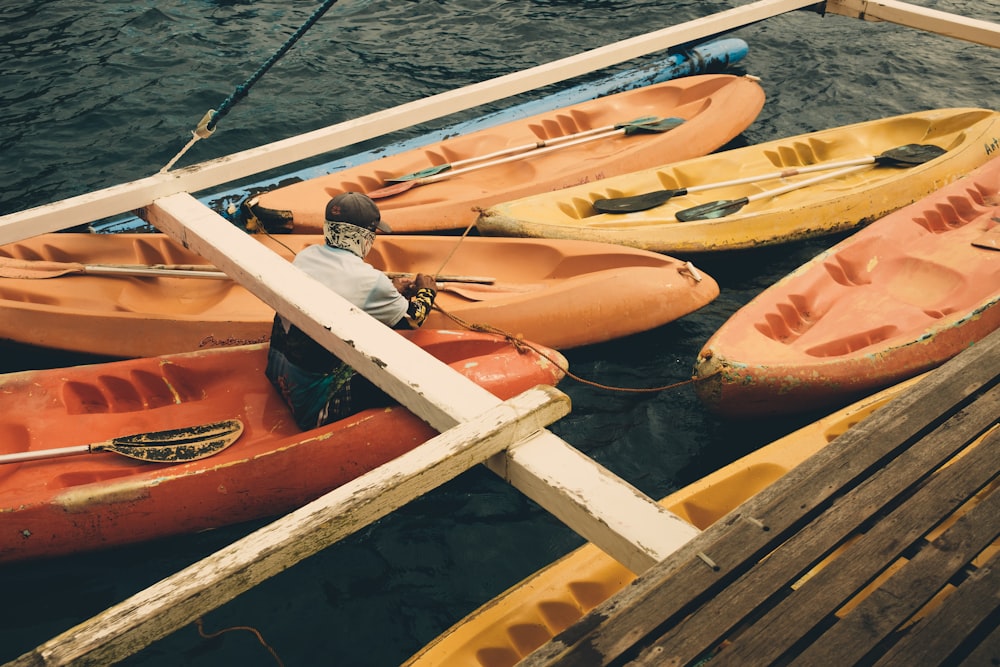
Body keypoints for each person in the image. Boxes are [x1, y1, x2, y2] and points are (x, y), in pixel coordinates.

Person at [265, 192, 438, 430]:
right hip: (311, 405)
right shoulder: (371, 281)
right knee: (411, 378)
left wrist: (390, 290)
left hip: (279, 375)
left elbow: (343, 288)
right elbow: (413, 319)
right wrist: (427, 290)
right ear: (364, 236)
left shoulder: (306, 256)